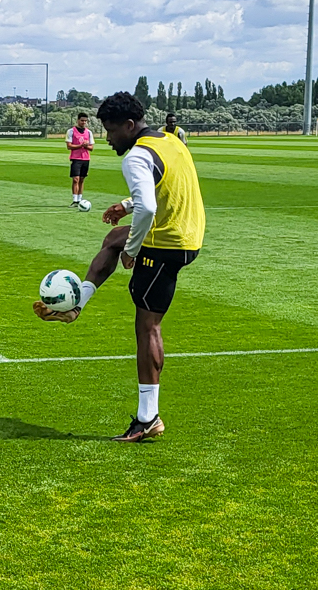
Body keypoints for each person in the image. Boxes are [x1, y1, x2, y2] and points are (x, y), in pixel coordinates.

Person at [32, 91, 205, 442]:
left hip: (168, 242)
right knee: (111, 240)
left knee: (147, 327)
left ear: (129, 125)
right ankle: (77, 304)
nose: (108, 139)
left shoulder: (136, 156)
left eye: (111, 131)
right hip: (188, 232)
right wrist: (125, 207)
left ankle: (148, 418)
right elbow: (164, 187)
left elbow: (149, 210)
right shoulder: (171, 141)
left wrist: (133, 247)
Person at [65, 113, 94, 210]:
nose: (84, 122)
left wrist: (86, 146)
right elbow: (69, 146)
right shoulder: (71, 131)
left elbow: (91, 148)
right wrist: (81, 145)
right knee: (75, 179)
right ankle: (75, 200)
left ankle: (80, 199)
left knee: (82, 179)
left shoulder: (89, 132)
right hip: (76, 158)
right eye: (82, 120)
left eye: (85, 121)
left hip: (86, 159)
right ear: (78, 120)